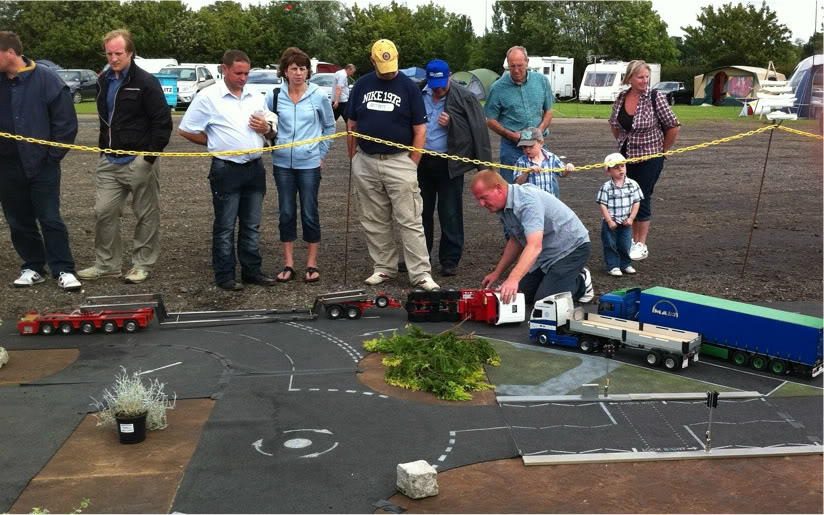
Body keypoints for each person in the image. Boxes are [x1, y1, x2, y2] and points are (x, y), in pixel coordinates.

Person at [77, 29, 173, 284]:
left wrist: (148, 160)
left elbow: (162, 123)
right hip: (109, 160)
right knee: (103, 211)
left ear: (130, 52)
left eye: (118, 53)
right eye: (109, 53)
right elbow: (105, 121)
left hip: (140, 160)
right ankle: (106, 264)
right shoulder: (103, 81)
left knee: (146, 213)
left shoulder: (146, 82)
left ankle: (142, 264)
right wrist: (102, 151)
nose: (113, 57)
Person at [178, 49, 277, 291]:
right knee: (225, 225)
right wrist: (213, 143)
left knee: (252, 224)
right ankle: (225, 275)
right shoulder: (208, 97)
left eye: (246, 73)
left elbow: (272, 132)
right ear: (224, 69)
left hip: (255, 167)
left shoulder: (255, 95)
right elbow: (186, 129)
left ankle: (252, 271)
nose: (243, 78)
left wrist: (266, 128)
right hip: (226, 168)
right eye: (238, 73)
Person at [345, 39, 439, 291]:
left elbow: (420, 130)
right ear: (372, 60)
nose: (389, 71)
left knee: (410, 219)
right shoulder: (361, 85)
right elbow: (351, 125)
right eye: (383, 65)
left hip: (400, 161)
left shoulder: (409, 87)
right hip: (366, 160)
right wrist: (353, 159)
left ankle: (420, 273)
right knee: (374, 219)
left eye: (392, 65)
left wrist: (412, 163)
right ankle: (384, 268)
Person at [0, 31, 81, 291]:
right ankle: (33, 266)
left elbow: (66, 125)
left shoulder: (47, 80)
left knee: (49, 218)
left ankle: (64, 268)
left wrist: (50, 159)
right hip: (7, 166)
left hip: (42, 164)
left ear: (9, 53)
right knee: (18, 220)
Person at [264, 47, 335, 283]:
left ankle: (312, 264)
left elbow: (330, 127)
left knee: (309, 212)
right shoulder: (273, 95)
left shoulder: (317, 95)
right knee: (285, 212)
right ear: (284, 71)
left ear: (308, 71)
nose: (298, 73)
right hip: (282, 163)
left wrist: (320, 154)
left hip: (309, 164)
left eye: (302, 68)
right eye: (293, 68)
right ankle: (288, 263)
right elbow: (266, 125)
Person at [416, 58, 491, 277]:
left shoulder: (466, 97)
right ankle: (420, 257)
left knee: (450, 214)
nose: (438, 90)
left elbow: (478, 131)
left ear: (450, 76)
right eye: (433, 85)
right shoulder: (419, 92)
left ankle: (449, 260)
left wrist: (485, 171)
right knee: (420, 213)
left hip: (450, 163)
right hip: (422, 161)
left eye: (441, 84)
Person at [472, 170, 593, 305]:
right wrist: (497, 273)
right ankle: (555, 279)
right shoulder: (502, 207)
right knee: (521, 297)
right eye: (478, 200)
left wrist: (513, 278)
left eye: (484, 197)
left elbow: (534, 246)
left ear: (498, 189)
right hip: (545, 254)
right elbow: (515, 240)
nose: (481, 204)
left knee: (545, 303)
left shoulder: (527, 201)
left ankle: (581, 282)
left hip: (571, 249)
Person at [608, 59, 679, 261]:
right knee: (626, 195)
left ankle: (641, 243)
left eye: (647, 77)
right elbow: (614, 124)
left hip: (650, 156)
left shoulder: (656, 97)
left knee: (641, 195)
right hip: (626, 157)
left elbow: (673, 125)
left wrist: (663, 150)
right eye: (640, 77)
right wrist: (624, 142)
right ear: (630, 78)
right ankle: (629, 240)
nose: (644, 80)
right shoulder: (621, 98)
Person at [484, 46, 554, 184]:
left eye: (520, 66)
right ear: (508, 66)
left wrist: (539, 131)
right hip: (512, 147)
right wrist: (510, 134)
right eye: (512, 66)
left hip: (538, 145)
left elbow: (549, 111)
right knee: (511, 190)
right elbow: (490, 120)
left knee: (546, 186)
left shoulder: (541, 81)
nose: (516, 70)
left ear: (527, 62)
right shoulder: (498, 88)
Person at [597, 153, 643, 277]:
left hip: (626, 221)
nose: (620, 169)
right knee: (610, 244)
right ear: (608, 171)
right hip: (611, 222)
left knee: (625, 244)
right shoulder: (606, 187)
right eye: (616, 167)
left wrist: (631, 218)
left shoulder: (633, 185)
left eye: (622, 166)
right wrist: (609, 220)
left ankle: (625, 264)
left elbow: (636, 202)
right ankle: (613, 266)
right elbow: (603, 204)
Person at [512, 127, 573, 197]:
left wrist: (568, 168)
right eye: (524, 147)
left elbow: (562, 173)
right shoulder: (521, 161)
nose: (527, 150)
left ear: (541, 143)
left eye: (531, 146)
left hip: (549, 199)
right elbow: (517, 183)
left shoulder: (551, 158)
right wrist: (526, 172)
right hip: (531, 200)